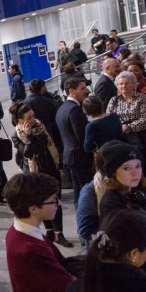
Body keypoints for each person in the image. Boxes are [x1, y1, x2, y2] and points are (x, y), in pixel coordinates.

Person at [97, 141, 146, 284]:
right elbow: (143, 244)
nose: (135, 172)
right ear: (112, 173)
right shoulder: (112, 203)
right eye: (126, 168)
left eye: (138, 166)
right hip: (142, 273)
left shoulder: (138, 190)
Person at [9, 102, 72, 247]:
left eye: (33, 116)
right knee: (41, 202)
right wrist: (30, 137)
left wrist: (59, 162)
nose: (33, 119)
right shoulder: (17, 135)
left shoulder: (41, 127)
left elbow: (52, 144)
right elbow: (27, 153)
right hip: (34, 173)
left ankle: (59, 233)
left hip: (50, 168)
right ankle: (49, 230)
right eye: (29, 117)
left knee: (56, 201)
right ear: (20, 120)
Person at [55, 77, 93, 207]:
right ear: (72, 91)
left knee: (79, 191)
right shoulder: (74, 109)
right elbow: (82, 136)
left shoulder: (62, 108)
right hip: (79, 156)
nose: (86, 91)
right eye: (82, 88)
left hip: (71, 156)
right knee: (86, 191)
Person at [106, 70, 146, 168]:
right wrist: (120, 127)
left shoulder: (142, 98)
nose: (124, 86)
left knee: (142, 163)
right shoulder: (114, 100)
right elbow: (109, 118)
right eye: (121, 84)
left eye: (127, 83)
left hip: (141, 137)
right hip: (121, 137)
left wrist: (129, 127)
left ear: (134, 85)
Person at [24, 79, 62, 152]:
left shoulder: (24, 104)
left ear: (29, 89)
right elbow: (54, 120)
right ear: (42, 88)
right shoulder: (49, 101)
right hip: (49, 135)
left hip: (33, 136)